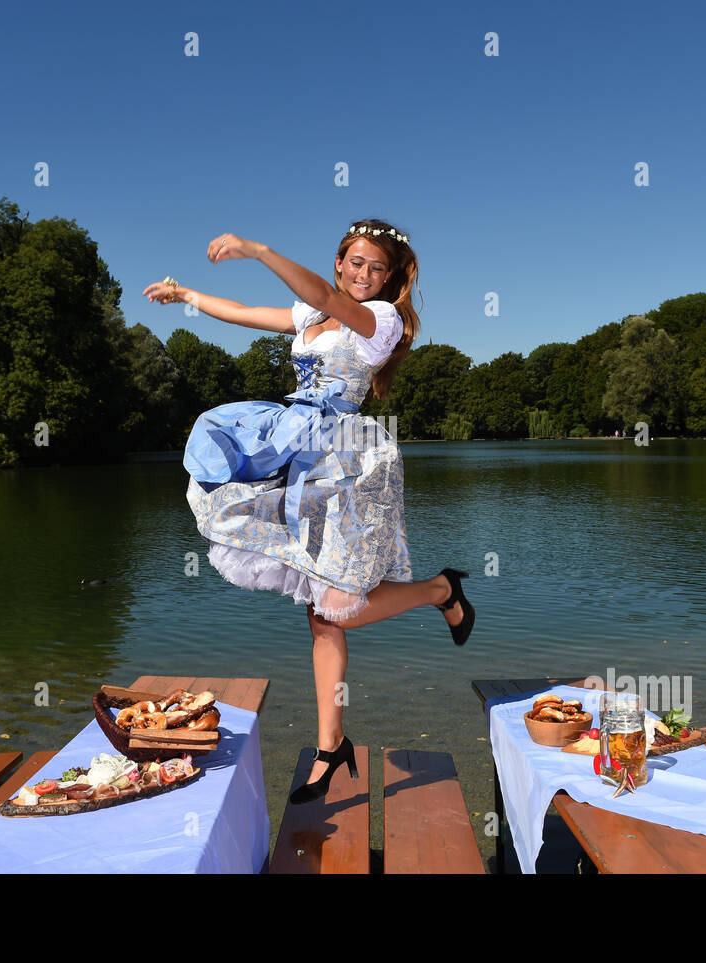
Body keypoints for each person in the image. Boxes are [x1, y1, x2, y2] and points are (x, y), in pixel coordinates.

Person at [142, 218, 475, 804]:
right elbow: (248, 314)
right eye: (356, 263)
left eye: (378, 268)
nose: (365, 275)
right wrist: (187, 295)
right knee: (321, 615)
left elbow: (321, 295)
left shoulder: (381, 321)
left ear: (390, 278)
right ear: (341, 260)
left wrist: (257, 249)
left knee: (340, 609)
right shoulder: (312, 317)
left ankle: (438, 591)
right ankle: (330, 745)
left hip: (345, 462)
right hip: (300, 448)